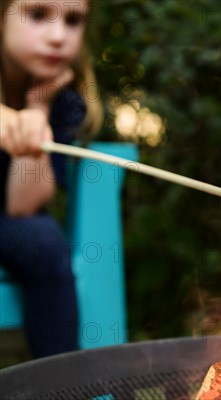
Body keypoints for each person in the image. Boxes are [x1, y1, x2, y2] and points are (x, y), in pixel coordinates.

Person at [0, 0, 102, 357]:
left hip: (8, 222)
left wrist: (38, 109)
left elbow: (23, 205)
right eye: (38, 14)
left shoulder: (63, 102)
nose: (58, 36)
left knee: (43, 238)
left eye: (73, 20)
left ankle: (64, 384)